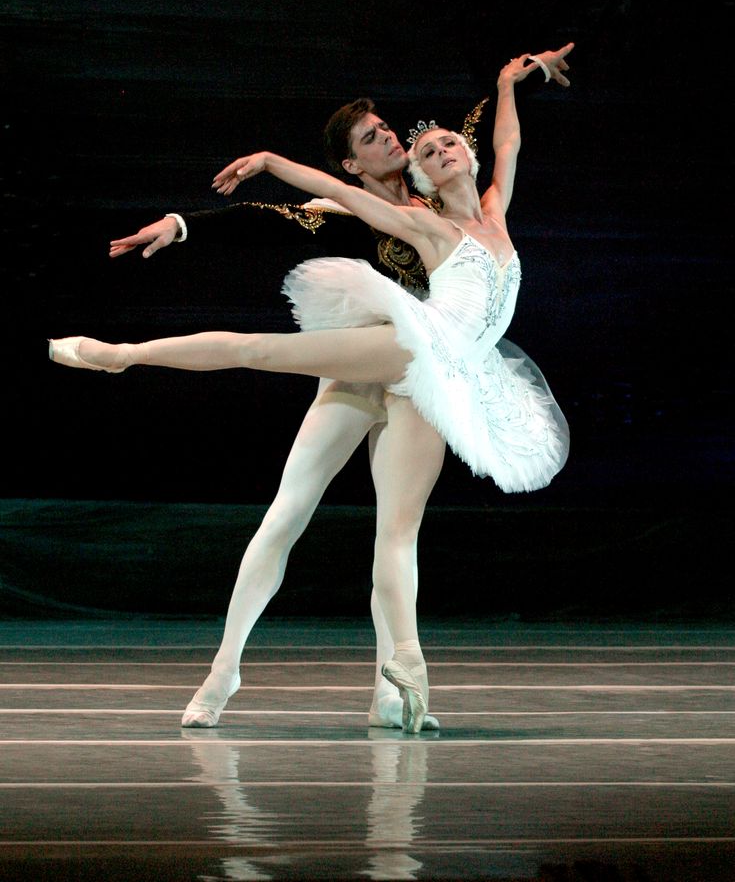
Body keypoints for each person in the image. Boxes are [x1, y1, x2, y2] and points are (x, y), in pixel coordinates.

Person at [49, 49, 572, 732]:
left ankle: (395, 687)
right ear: (354, 163)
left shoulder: (451, 195)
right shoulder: (366, 208)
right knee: (286, 503)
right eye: (374, 138)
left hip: (435, 378)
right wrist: (186, 222)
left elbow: (489, 139)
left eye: (395, 132)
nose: (393, 138)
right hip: (372, 356)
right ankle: (223, 669)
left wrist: (508, 80)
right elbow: (267, 215)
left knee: (398, 531)